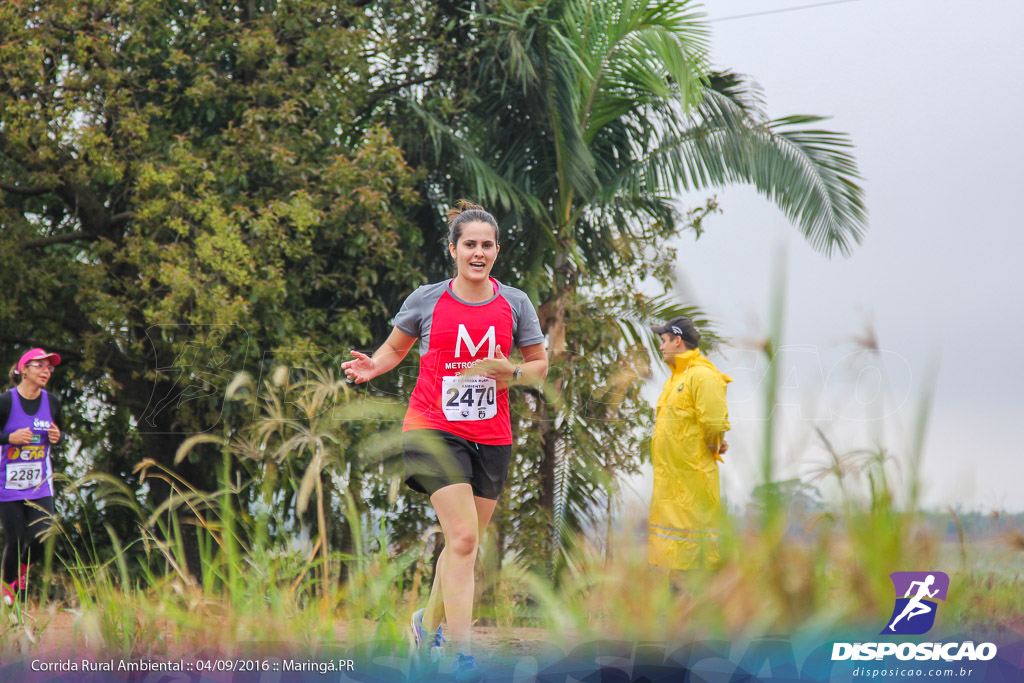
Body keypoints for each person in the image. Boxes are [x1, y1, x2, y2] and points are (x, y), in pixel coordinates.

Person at [342, 201, 547, 681]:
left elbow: (538, 365)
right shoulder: (428, 299)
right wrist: (373, 365)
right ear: (453, 249)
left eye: (487, 245)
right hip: (432, 426)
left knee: (462, 546)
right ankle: (461, 654)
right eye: (469, 244)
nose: (478, 252)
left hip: (492, 434)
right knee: (464, 537)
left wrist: (511, 372)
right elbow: (395, 348)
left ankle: (423, 623)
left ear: (497, 250)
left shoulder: (515, 303)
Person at [648, 317, 731, 571]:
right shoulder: (674, 381)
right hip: (671, 491)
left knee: (693, 570)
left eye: (663, 341)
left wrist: (713, 446)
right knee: (674, 570)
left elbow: (714, 425)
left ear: (677, 340)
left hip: (692, 490)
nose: (661, 347)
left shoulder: (703, 376)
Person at [0, 348, 64, 606]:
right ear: (23, 370)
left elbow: (59, 434)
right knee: (15, 539)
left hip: (40, 484)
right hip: (8, 484)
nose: (45, 371)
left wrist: (59, 438)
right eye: (39, 365)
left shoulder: (53, 402)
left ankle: (21, 574)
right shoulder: (5, 402)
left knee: (43, 535)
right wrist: (9, 439)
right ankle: (7, 589)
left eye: (49, 367)